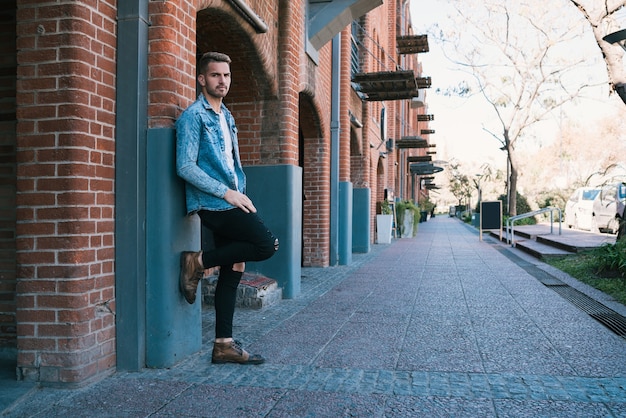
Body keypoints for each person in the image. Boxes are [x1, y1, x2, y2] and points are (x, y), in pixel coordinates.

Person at [175, 51, 278, 365]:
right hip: (213, 203)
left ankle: (223, 345)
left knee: (235, 268)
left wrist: (240, 194)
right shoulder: (194, 116)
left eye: (226, 75)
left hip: (232, 199)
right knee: (266, 244)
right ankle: (198, 261)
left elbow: (231, 165)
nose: (222, 81)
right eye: (216, 75)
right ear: (202, 79)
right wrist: (228, 194)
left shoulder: (227, 117)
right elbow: (185, 167)